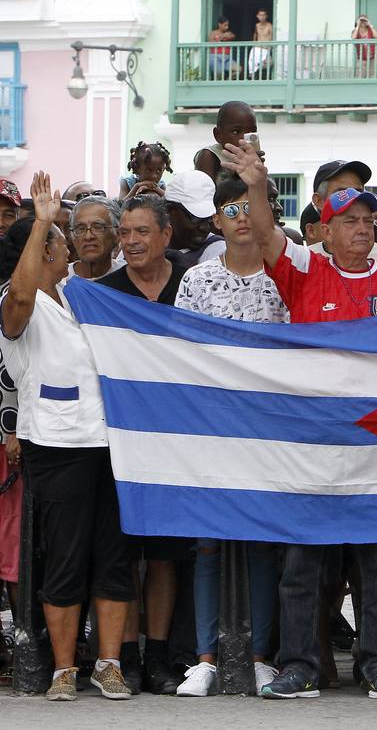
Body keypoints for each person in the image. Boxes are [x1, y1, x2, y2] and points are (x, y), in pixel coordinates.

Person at [221, 139, 377, 702]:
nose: (361, 228)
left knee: (375, 566)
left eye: (368, 220)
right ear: (324, 231)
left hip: (376, 447)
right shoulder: (304, 271)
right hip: (312, 444)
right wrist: (258, 185)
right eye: (348, 220)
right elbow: (263, 234)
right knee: (302, 563)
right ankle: (300, 666)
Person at [1, 172, 134, 702]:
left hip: (112, 443)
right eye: (61, 240)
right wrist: (42, 223)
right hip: (57, 446)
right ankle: (62, 669)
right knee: (65, 557)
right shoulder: (17, 304)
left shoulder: (86, 296)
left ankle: (109, 663)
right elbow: (22, 295)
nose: (68, 246)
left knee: (114, 556)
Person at [173, 172, 288, 697]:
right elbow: (179, 352)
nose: (242, 218)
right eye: (232, 210)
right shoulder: (196, 280)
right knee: (209, 544)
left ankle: (261, 658)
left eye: (250, 207)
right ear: (217, 220)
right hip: (211, 430)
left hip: (268, 430)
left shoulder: (285, 276)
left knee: (263, 543)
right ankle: (205, 659)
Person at [96, 196, 188, 695]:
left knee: (165, 556)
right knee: (122, 553)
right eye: (124, 232)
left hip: (180, 442)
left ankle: (158, 657)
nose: (130, 241)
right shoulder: (103, 292)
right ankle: (124, 656)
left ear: (166, 236)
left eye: (141, 232)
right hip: (122, 441)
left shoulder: (190, 284)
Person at [311, 159, 377, 278]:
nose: (352, 198)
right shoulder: (304, 262)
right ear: (319, 201)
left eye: (358, 192)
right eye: (342, 193)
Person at [0, 179, 22, 681]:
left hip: (12, 431)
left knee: (15, 544)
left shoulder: (15, 289)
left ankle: (25, 644)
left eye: (7, 213)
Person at [164, 169, 225, 268]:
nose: (205, 228)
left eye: (209, 218)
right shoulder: (144, 247)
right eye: (196, 218)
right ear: (168, 211)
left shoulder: (218, 252)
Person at [194, 101, 261, 181]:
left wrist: (260, 171)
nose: (244, 139)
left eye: (251, 132)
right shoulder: (209, 156)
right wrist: (238, 173)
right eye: (236, 131)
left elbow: (272, 192)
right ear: (218, 135)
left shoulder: (252, 157)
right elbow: (206, 191)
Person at [67, 196, 121, 280]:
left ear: (117, 234)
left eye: (98, 227)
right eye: (80, 229)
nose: (88, 236)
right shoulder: (59, 280)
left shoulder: (131, 277)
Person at [249, 8, 273, 78]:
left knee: (269, 63)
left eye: (263, 15)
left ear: (266, 16)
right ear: (257, 16)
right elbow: (255, 35)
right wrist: (253, 44)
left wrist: (269, 49)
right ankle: (253, 77)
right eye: (260, 15)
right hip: (256, 48)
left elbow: (271, 38)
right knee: (252, 65)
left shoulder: (269, 26)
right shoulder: (257, 25)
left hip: (265, 49)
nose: (262, 17)